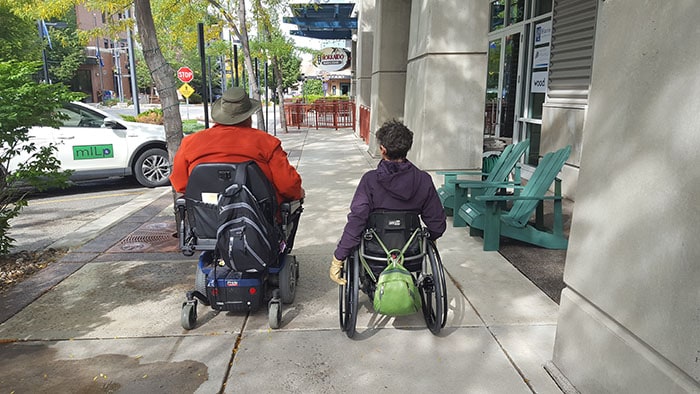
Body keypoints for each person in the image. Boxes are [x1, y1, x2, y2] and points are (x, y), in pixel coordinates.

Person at [329, 119, 447, 285]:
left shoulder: (369, 181)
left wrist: (339, 256)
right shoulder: (423, 180)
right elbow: (437, 222)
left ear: (382, 149)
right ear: (407, 149)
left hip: (374, 254)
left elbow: (357, 220)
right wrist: (432, 237)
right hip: (411, 254)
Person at [170, 87, 304, 206]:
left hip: (206, 224)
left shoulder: (190, 143)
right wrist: (299, 193)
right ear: (248, 116)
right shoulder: (267, 143)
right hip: (260, 225)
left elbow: (180, 184)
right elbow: (288, 185)